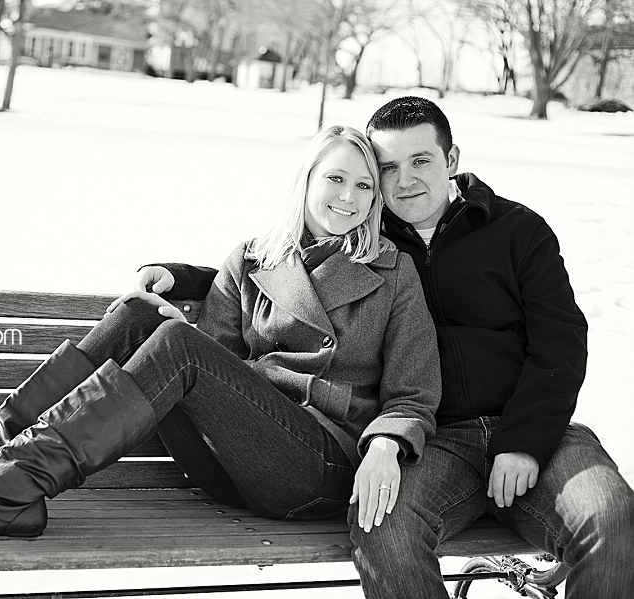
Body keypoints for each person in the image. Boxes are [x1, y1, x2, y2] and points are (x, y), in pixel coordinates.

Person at [141, 97, 634, 598]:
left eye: (421, 161)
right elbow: (290, 266)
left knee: (612, 521)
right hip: (430, 441)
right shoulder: (370, 237)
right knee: (384, 526)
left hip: (534, 431)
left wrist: (523, 440)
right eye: (388, 168)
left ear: (453, 160)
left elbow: (561, 342)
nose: (404, 182)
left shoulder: (516, 230)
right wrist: (189, 278)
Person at [0, 125, 441, 538]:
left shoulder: (392, 272)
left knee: (175, 342)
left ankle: (11, 489)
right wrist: (174, 288)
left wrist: (387, 444)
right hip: (231, 460)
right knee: (141, 314)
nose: (348, 197)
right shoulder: (253, 257)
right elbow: (216, 359)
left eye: (365, 187)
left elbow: (414, 394)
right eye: (335, 178)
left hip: (318, 467)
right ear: (306, 179)